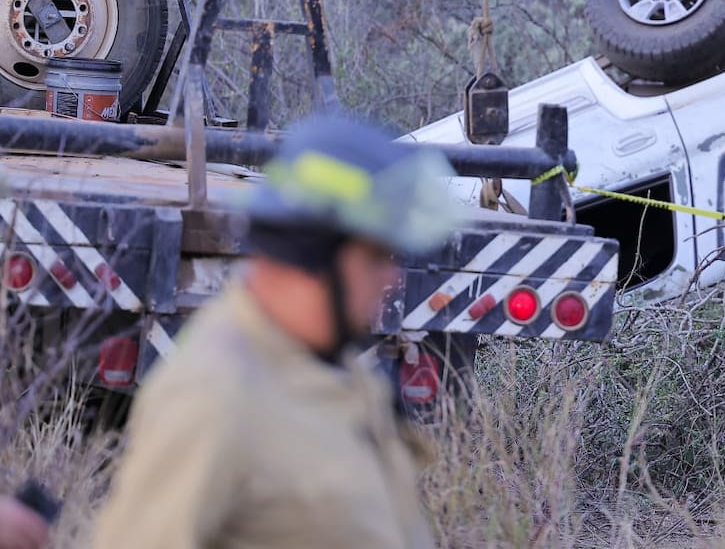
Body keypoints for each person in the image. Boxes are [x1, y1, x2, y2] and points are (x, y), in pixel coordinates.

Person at [94, 114, 461, 549]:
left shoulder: (335, 368)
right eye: (376, 256)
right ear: (314, 253)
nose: (391, 278)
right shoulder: (214, 395)